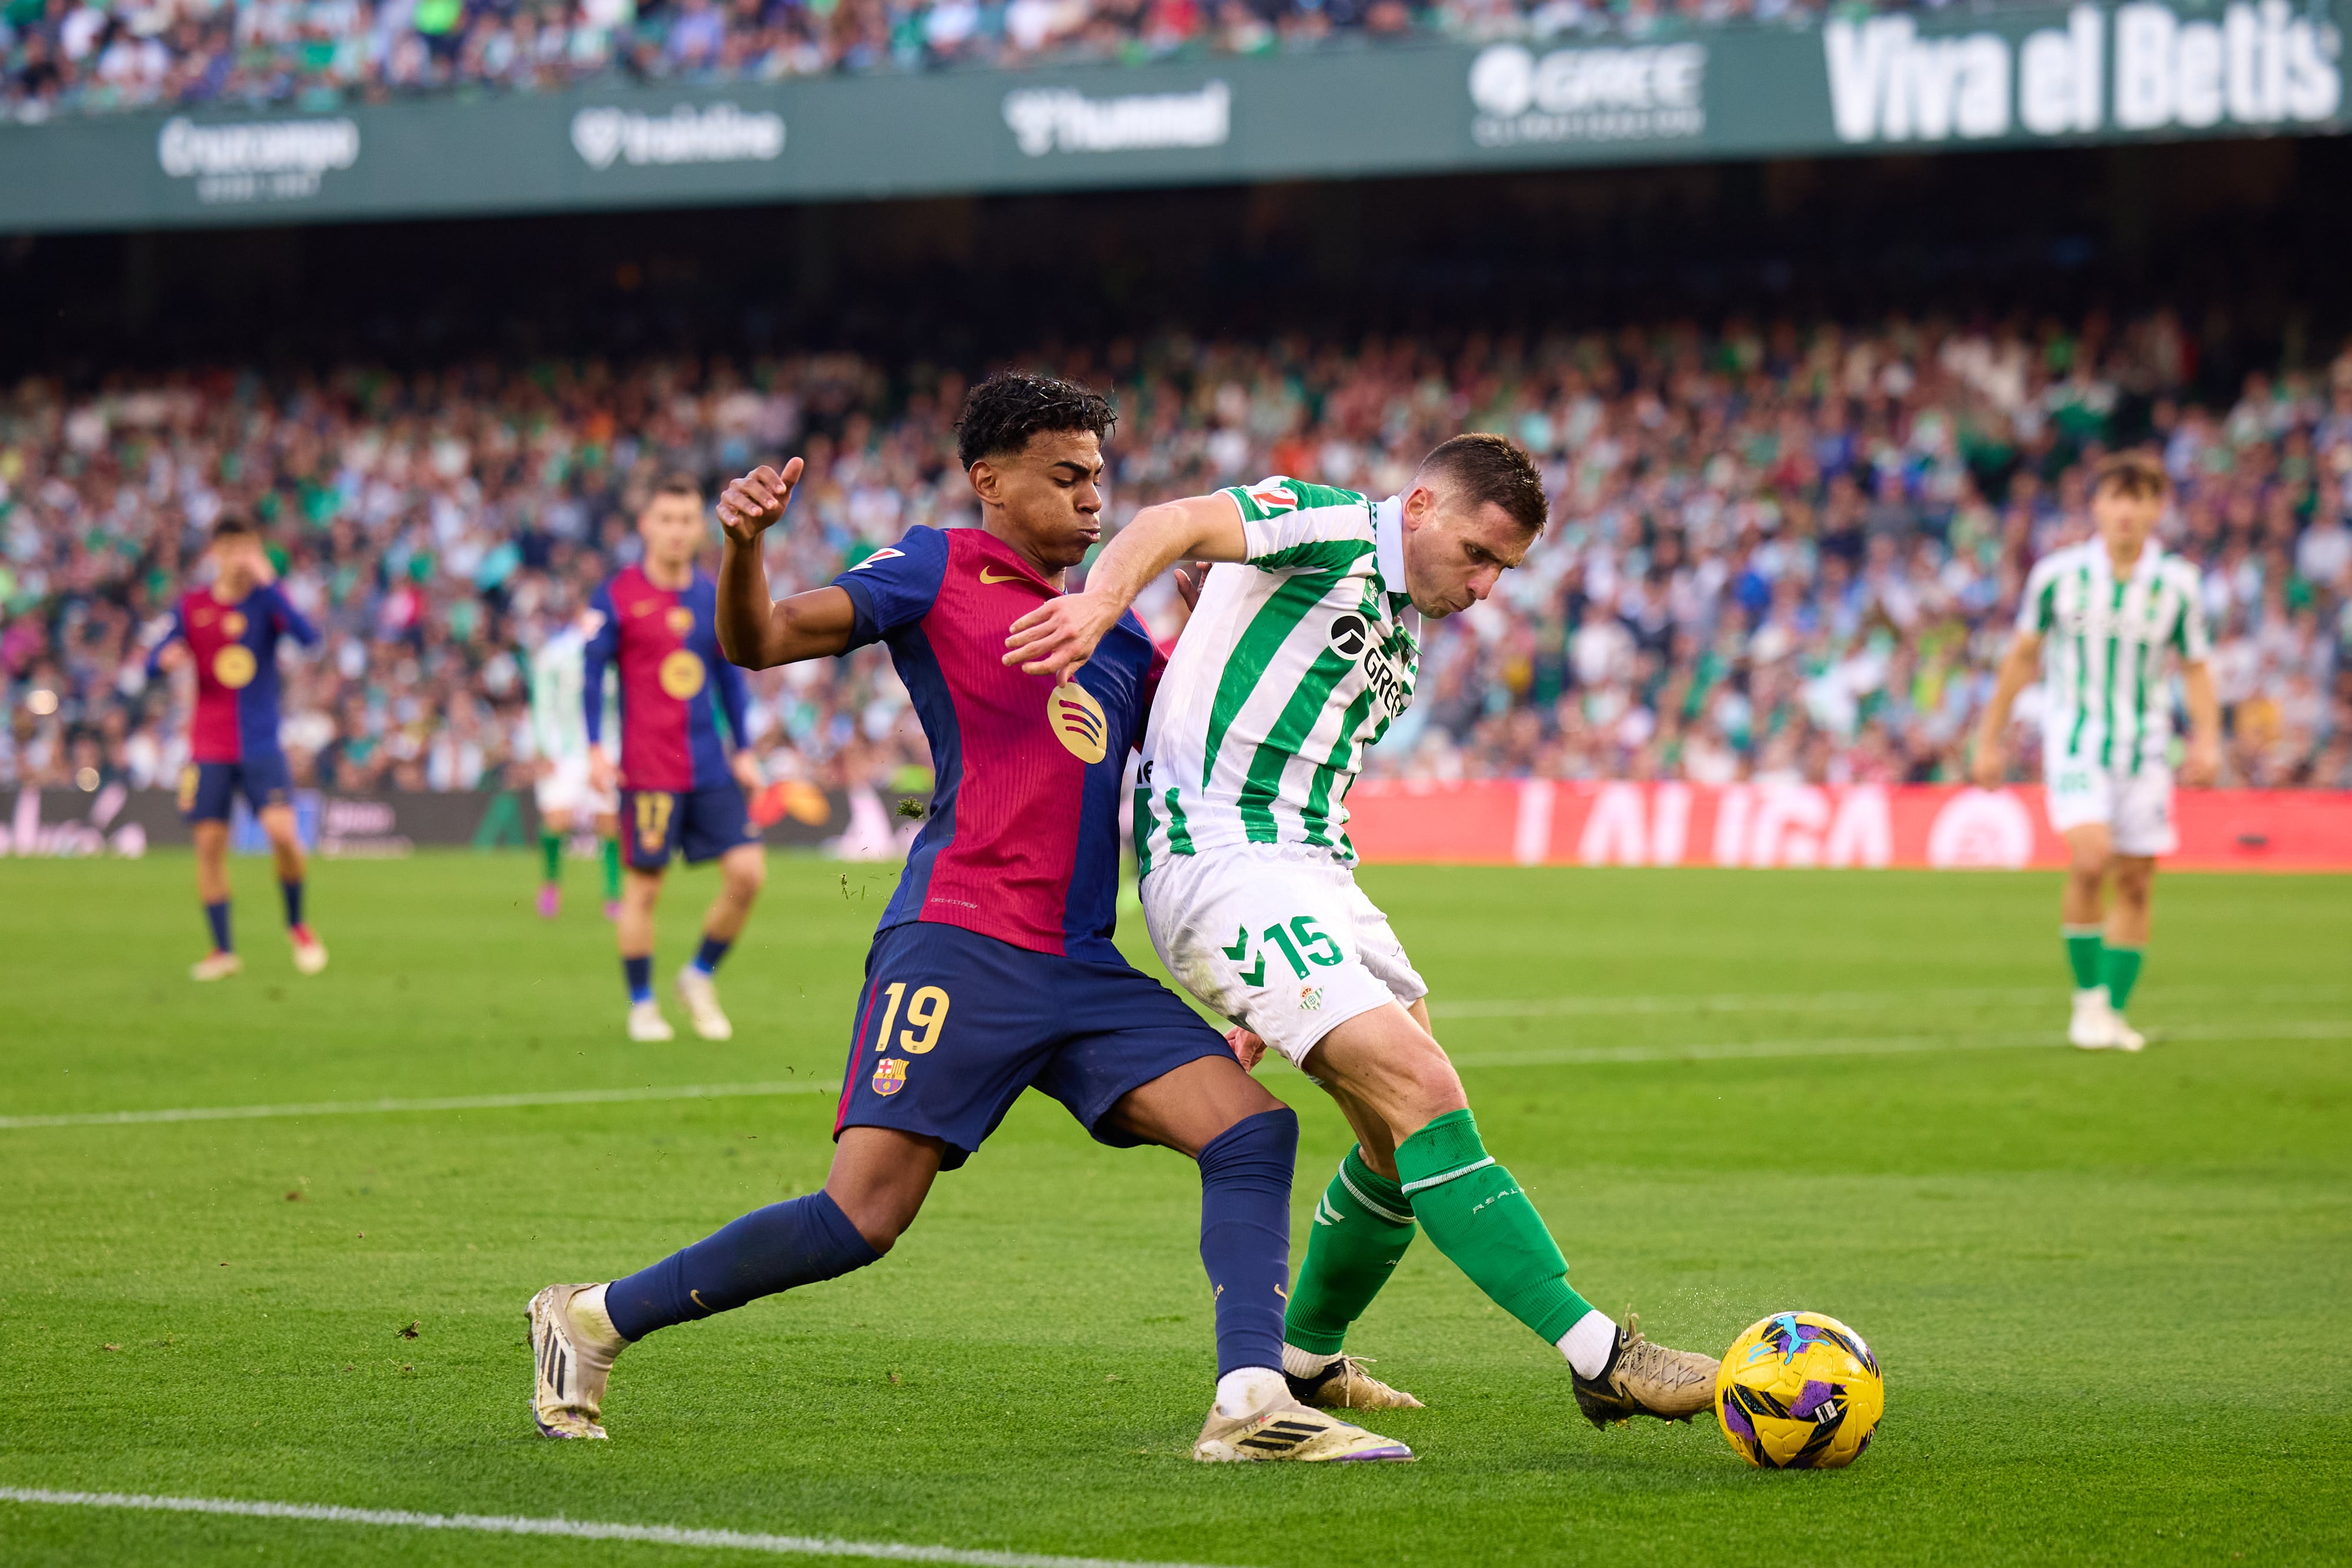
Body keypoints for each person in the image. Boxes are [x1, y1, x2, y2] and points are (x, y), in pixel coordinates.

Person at [527, 373, 1408, 1464]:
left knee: (1250, 1128)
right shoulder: (937, 568)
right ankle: (590, 1317)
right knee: (861, 1219)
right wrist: (745, 547)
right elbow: (760, 641)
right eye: (1067, 475)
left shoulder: (1122, 639)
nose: (1095, 500)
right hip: (960, 938)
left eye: (1101, 477)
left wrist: (1202, 616)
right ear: (989, 480)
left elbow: (1205, 776)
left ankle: (1249, 1402)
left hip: (1081, 963)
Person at [1003, 435, 1725, 1432]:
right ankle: (1601, 1353)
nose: (1483, 587)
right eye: (1477, 554)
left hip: (1313, 870)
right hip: (1222, 856)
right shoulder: (1326, 522)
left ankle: (1303, 1360)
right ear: (1420, 505)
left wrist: (1281, 980)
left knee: (1398, 1140)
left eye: (1502, 572)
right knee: (1426, 1089)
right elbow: (1173, 524)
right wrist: (1098, 604)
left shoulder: (1399, 625)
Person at [1972, 450, 2220, 1051]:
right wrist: (1988, 738)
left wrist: (2208, 739)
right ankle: (2086, 1005)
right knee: (2090, 859)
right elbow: (2021, 659)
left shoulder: (2177, 585)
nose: (2127, 511)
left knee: (2136, 883)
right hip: (2077, 742)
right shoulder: (2058, 576)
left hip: (2145, 750)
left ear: (2157, 508)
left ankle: (2111, 1010)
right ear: (2096, 505)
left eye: (2139, 499)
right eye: (2116, 497)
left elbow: (2194, 667)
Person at [583, 474, 768, 1043]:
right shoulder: (615, 594)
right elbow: (591, 673)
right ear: (646, 525)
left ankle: (696, 976)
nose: (677, 531)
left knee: (748, 875)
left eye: (688, 519)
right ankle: (642, 1003)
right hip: (648, 770)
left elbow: (731, 679)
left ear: (700, 526)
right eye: (666, 519)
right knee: (644, 890)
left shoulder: (710, 593)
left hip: (709, 766)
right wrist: (593, 747)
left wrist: (744, 749)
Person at [146, 515, 329, 982]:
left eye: (254, 548)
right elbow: (151, 659)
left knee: (284, 833)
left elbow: (310, 639)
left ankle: (297, 924)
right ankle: (222, 949)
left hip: (262, 743)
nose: (247, 558)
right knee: (209, 847)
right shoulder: (192, 606)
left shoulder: (266, 602)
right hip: (208, 746)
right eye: (238, 549)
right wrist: (162, 659)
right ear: (218, 552)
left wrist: (274, 585)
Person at [527, 604, 623, 920]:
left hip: (607, 748)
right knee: (558, 820)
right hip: (565, 749)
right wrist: (544, 748)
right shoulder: (554, 655)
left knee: (609, 822)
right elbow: (543, 704)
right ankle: (551, 886)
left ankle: (613, 896)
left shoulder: (616, 655)